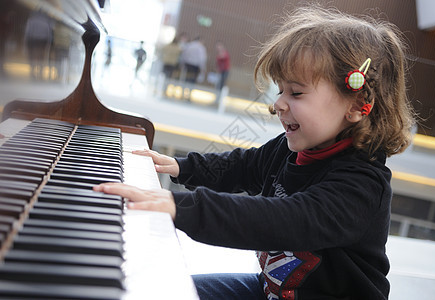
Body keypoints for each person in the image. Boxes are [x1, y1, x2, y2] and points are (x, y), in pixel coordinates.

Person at [94, 5, 416, 300]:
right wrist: (180, 167)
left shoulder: (362, 186)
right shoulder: (290, 149)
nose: (278, 103)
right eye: (280, 90)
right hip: (268, 291)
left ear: (359, 106)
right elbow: (242, 167)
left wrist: (182, 208)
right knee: (170, 291)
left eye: (297, 92)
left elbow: (281, 220)